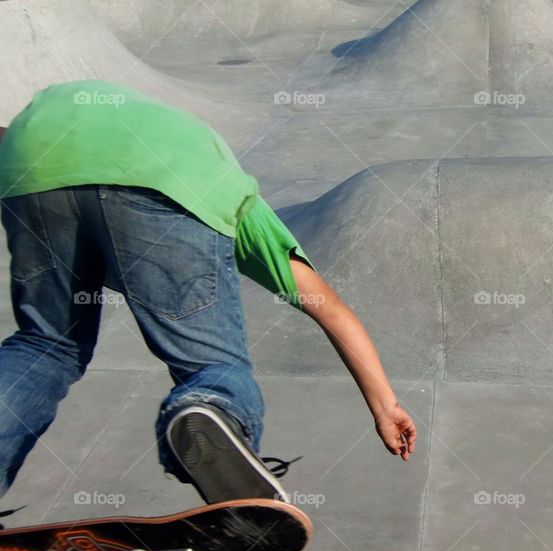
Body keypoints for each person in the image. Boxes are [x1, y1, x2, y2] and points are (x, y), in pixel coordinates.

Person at [0, 80, 416, 506]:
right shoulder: (234, 198)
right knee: (214, 366)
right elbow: (329, 307)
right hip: (164, 173)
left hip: (32, 157)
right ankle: (212, 406)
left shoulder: (237, 204)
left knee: (46, 345)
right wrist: (386, 407)